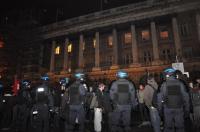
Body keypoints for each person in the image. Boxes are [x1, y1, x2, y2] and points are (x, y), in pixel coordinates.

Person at [158, 68, 190, 132]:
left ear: (167, 75)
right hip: (179, 108)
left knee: (168, 128)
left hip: (167, 109)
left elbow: (160, 99)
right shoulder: (180, 83)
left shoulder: (164, 85)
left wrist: (160, 109)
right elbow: (186, 97)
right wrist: (187, 109)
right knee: (180, 127)